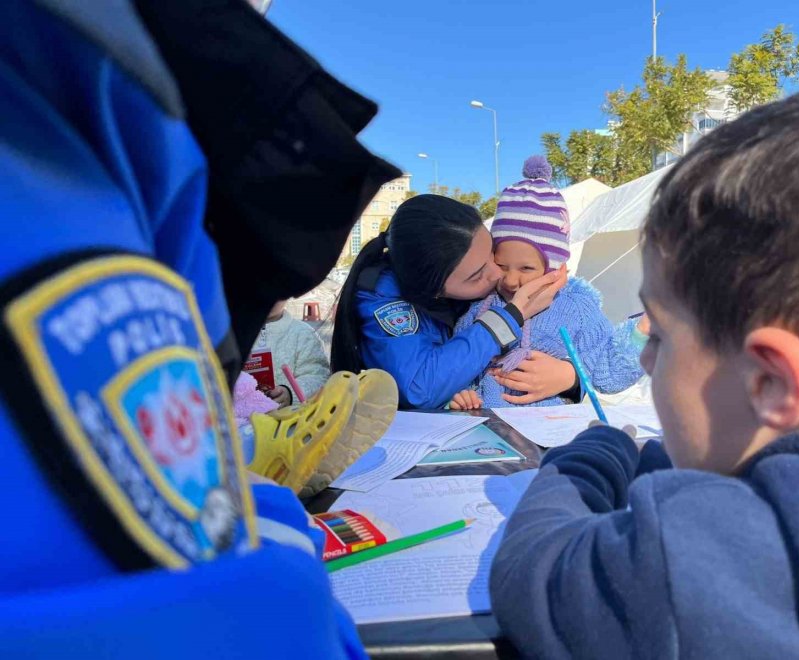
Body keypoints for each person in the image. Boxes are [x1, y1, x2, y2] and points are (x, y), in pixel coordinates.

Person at [0, 1, 399, 656]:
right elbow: (209, 610)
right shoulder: (89, 81)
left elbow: (195, 416)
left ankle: (261, 453)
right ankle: (266, 454)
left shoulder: (145, 97)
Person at [490, 78, 799, 658]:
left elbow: (531, 569)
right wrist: (651, 456)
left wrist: (591, 456)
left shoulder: (696, 554)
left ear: (770, 381)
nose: (645, 354)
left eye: (661, 334)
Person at [331, 194, 573, 410]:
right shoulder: (384, 300)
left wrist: (570, 377)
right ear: (434, 292)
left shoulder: (502, 285)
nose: (498, 274)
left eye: (492, 254)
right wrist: (511, 316)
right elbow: (419, 388)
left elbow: (585, 347)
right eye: (477, 275)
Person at [451, 156, 646, 410]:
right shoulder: (481, 305)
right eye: (501, 265)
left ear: (554, 266)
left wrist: (640, 334)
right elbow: (457, 363)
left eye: (527, 268)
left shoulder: (576, 306)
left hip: (548, 435)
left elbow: (605, 370)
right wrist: (461, 395)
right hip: (489, 432)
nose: (511, 280)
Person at [253, 300, 331, 407]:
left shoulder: (303, 334)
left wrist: (290, 393)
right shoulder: (231, 333)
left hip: (290, 419)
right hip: (238, 420)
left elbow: (318, 377)